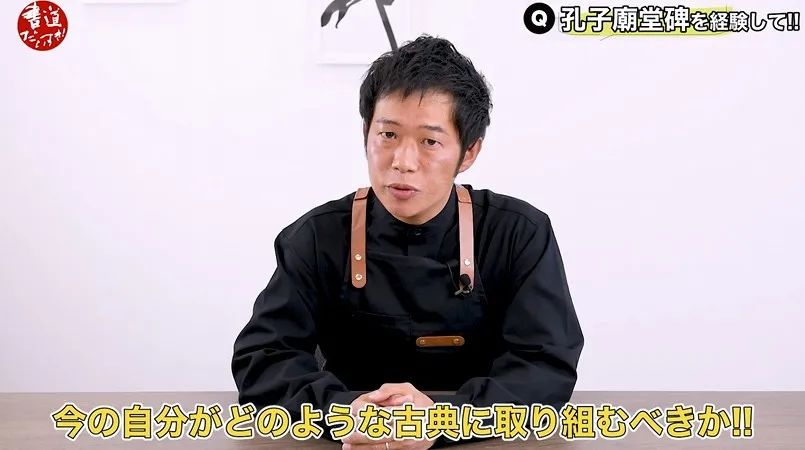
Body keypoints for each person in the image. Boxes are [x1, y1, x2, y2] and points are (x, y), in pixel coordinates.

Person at [231, 35, 584, 449]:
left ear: (469, 152)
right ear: (366, 133)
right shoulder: (316, 237)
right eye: (388, 135)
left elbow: (545, 365)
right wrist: (342, 411)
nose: (403, 162)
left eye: (430, 141)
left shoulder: (517, 233)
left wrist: (443, 419)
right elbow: (264, 360)